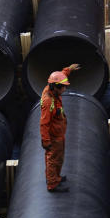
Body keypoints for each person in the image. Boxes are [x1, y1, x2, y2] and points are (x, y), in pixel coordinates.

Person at [40, 63, 81, 192]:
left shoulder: (53, 89)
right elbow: (44, 123)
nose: (64, 90)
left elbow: (58, 77)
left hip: (58, 133)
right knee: (53, 159)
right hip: (54, 136)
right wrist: (46, 141)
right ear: (56, 88)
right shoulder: (48, 101)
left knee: (59, 158)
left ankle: (55, 177)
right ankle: (52, 184)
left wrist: (68, 70)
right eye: (63, 88)